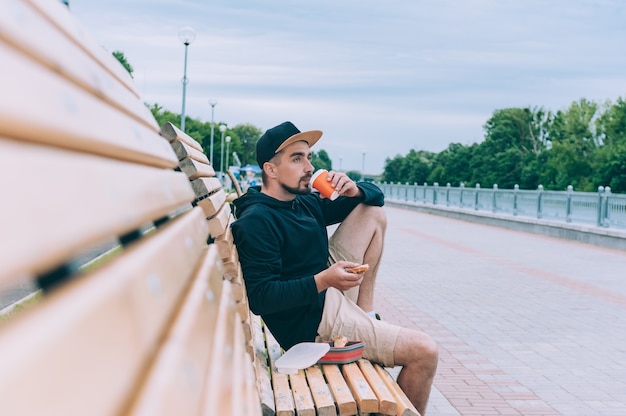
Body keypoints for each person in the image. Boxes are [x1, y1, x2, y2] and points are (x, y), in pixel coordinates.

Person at [231, 121, 438, 414]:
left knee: (371, 212)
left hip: (324, 286)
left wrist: (354, 190)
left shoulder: (302, 202)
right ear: (271, 169)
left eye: (308, 157)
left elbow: (375, 197)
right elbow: (262, 297)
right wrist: (323, 280)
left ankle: (365, 315)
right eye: (296, 158)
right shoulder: (257, 221)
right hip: (312, 320)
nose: (308, 167)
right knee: (425, 351)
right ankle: (363, 324)